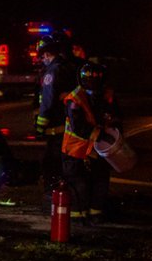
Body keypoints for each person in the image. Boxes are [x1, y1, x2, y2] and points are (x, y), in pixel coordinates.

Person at [61, 62, 121, 226]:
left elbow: (116, 121)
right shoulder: (76, 98)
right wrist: (102, 135)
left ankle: (90, 214)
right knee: (85, 183)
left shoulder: (100, 96)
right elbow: (79, 126)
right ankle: (81, 216)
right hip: (82, 150)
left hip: (91, 150)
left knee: (94, 182)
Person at [34, 33, 79, 210]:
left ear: (47, 54)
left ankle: (53, 195)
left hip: (56, 126)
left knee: (51, 162)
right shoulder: (69, 66)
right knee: (66, 160)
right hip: (69, 124)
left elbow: (48, 100)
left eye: (43, 55)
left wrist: (40, 125)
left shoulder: (52, 72)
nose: (42, 59)